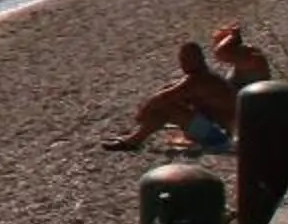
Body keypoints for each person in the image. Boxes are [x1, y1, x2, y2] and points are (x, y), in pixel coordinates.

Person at [102, 42, 240, 153]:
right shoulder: (201, 77)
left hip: (222, 138)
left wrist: (142, 113)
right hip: (219, 131)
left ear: (198, 61)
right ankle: (133, 140)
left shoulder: (199, 80)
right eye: (182, 60)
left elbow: (162, 97)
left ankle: (133, 141)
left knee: (168, 107)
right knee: (166, 107)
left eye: (185, 60)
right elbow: (168, 90)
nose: (183, 64)